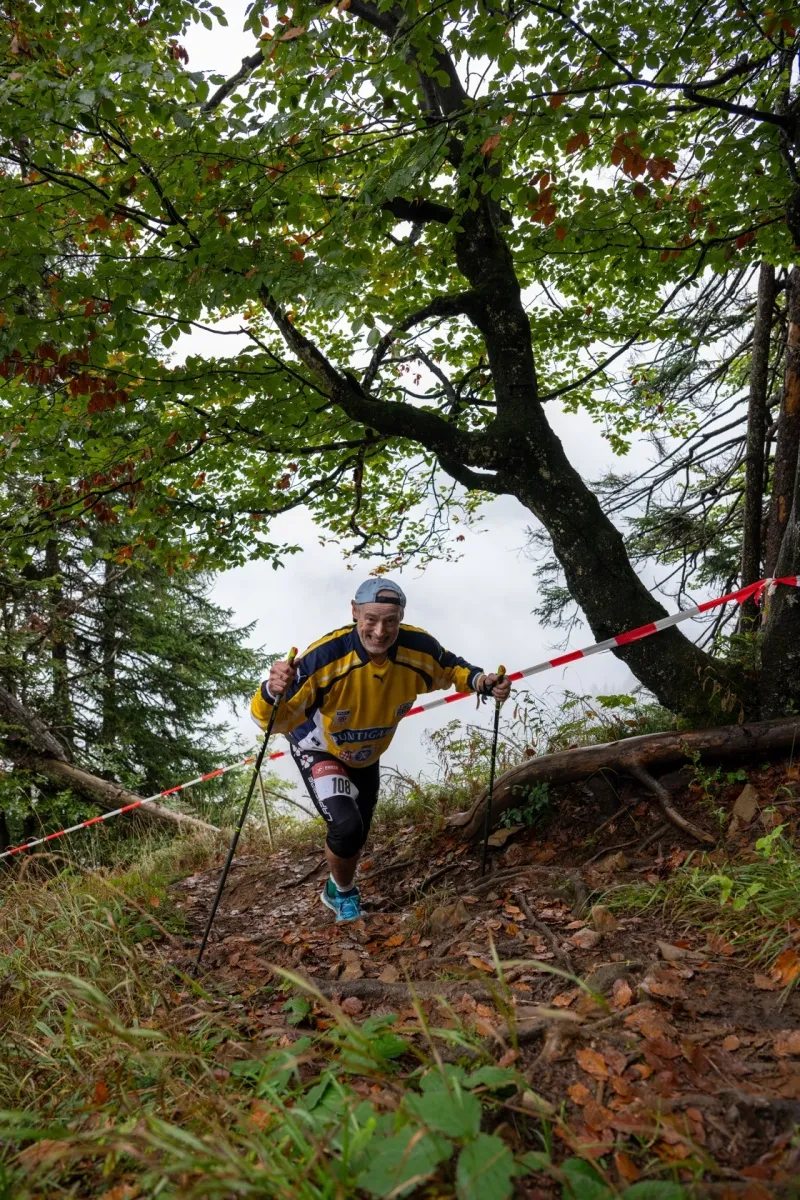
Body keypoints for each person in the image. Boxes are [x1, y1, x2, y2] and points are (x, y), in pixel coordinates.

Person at [250, 578, 511, 922]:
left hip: (367, 753)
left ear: (401, 617)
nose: (379, 630)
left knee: (358, 834)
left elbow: (449, 668)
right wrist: (271, 691)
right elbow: (273, 720)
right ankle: (343, 893)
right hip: (318, 746)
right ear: (354, 611)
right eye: (370, 618)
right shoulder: (325, 658)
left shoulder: (417, 648)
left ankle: (336, 884)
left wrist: (481, 682)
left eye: (391, 620)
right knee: (346, 827)